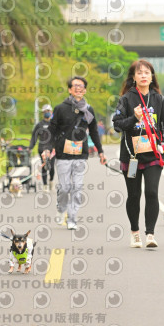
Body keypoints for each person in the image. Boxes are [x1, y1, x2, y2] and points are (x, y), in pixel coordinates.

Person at [112, 59, 164, 248]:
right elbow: (117, 125)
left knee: (152, 192)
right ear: (133, 77)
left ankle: (150, 234)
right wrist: (134, 118)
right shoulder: (126, 99)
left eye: (147, 72)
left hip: (154, 156)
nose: (144, 76)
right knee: (134, 195)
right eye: (139, 73)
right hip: (131, 158)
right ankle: (135, 233)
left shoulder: (159, 100)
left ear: (152, 76)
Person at [44, 76, 107, 230]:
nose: (79, 88)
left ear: (85, 90)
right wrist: (47, 148)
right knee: (65, 188)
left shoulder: (88, 110)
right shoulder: (60, 108)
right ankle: (61, 209)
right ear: (70, 90)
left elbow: (94, 132)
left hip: (81, 154)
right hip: (63, 154)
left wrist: (100, 151)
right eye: (75, 86)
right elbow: (51, 130)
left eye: (81, 86)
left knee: (77, 188)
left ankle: (72, 219)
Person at [29, 104, 56, 189]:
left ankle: (51, 180)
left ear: (51, 112)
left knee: (51, 167)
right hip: (42, 149)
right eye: (45, 112)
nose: (46, 113)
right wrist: (30, 147)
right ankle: (45, 185)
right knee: (44, 166)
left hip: (52, 149)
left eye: (48, 111)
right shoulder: (39, 125)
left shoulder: (54, 124)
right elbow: (34, 137)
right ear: (42, 113)